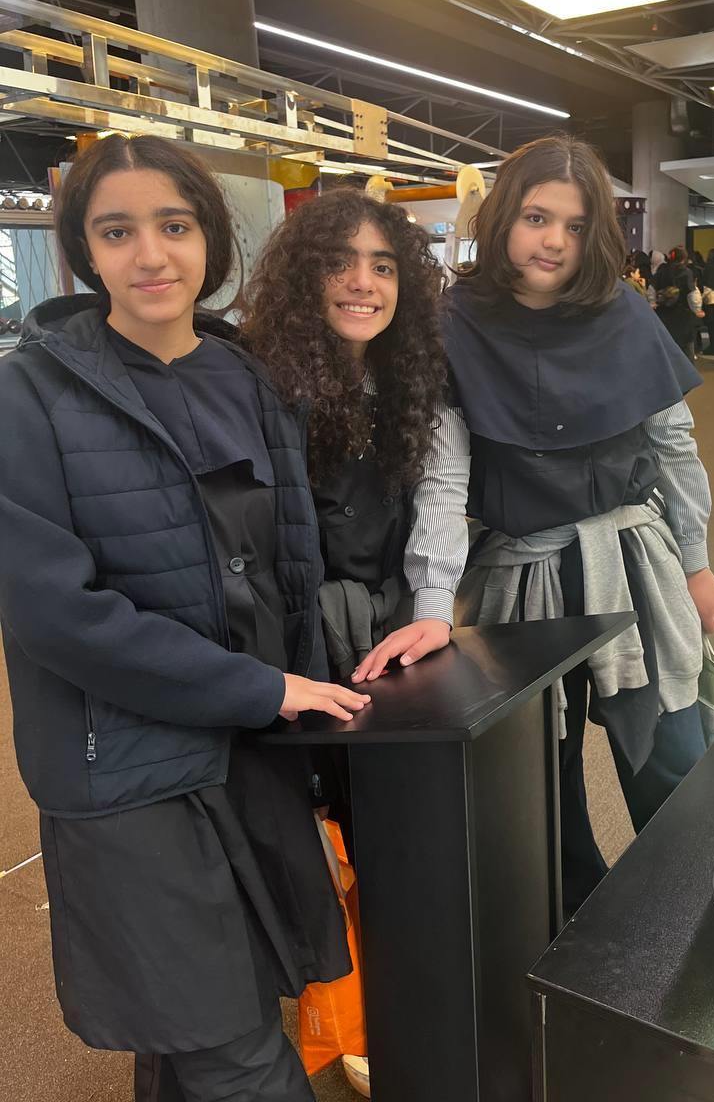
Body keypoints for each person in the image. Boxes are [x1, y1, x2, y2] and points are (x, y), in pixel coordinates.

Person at [0, 135, 371, 1102]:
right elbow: (56, 614)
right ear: (84, 250)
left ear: (210, 234)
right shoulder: (28, 395)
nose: (151, 256)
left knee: (205, 1016)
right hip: (128, 761)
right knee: (230, 1046)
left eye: (173, 225)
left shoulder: (252, 378)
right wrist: (257, 687)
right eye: (116, 232)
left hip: (256, 745)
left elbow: (294, 562)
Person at [437, 135, 714, 915]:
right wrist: (431, 603)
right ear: (504, 217)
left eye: (574, 224)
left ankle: (694, 920)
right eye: (536, 217)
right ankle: (576, 928)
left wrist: (697, 562)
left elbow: (673, 444)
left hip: (631, 559)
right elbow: (442, 476)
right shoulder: (454, 320)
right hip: (516, 572)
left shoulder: (623, 312)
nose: (554, 241)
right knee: (538, 778)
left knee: (670, 753)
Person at [243, 188, 470, 1098]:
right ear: (305, 274)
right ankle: (316, 1011)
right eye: (340, 263)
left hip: (391, 624)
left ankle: (382, 1008)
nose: (363, 283)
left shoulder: (417, 378)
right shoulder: (255, 380)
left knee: (392, 821)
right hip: (288, 631)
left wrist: (434, 604)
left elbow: (442, 493)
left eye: (382, 266)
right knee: (296, 819)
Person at [653, 246, 703, 363]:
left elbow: (651, 290)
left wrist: (653, 304)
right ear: (684, 258)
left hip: (663, 314)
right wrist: (697, 309)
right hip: (683, 315)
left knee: (666, 346)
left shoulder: (661, 271)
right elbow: (692, 295)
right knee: (686, 348)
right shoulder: (687, 272)